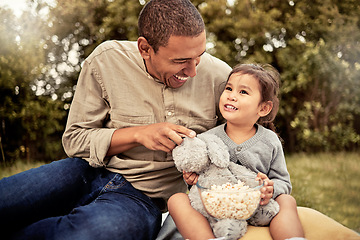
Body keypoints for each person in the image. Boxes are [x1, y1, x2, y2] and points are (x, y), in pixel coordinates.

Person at [0, 0, 231, 239]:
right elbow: (74, 140)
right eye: (180, 61)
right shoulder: (106, 60)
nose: (193, 71)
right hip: (84, 171)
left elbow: (239, 146)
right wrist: (139, 134)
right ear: (145, 48)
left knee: (89, 234)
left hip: (141, 199)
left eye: (199, 56)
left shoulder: (221, 79)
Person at [167, 64, 306, 240]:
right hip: (216, 208)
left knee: (287, 201)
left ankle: (291, 238)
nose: (232, 96)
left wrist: (270, 189)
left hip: (257, 207)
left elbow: (283, 182)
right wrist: (192, 179)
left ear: (263, 108)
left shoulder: (270, 141)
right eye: (229, 88)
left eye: (243, 92)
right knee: (176, 200)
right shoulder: (207, 139)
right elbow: (200, 179)